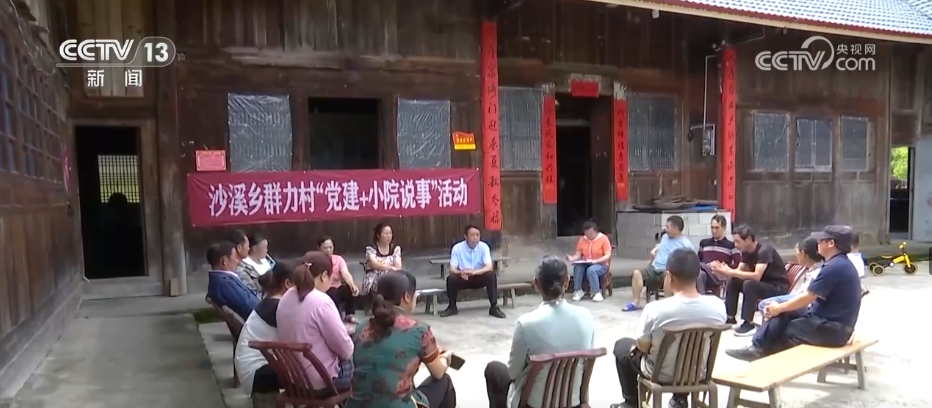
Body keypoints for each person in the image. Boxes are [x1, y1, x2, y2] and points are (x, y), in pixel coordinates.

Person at [726, 226, 862, 361]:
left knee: (786, 330)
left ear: (831, 243)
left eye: (821, 240)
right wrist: (780, 309)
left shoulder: (834, 267)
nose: (818, 243)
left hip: (835, 330)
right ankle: (756, 348)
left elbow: (808, 297)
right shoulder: (837, 264)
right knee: (784, 314)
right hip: (824, 321)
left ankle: (765, 359)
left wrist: (779, 307)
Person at [612, 248, 726, 408]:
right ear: (699, 275)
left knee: (622, 347)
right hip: (697, 373)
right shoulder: (718, 306)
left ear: (669, 276)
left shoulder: (655, 309)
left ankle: (631, 403)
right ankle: (680, 399)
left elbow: (643, 347)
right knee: (687, 352)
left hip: (660, 374)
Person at [484, 255, 595, 408]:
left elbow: (513, 372)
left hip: (534, 404)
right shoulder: (586, 316)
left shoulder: (526, 323)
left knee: (494, 370)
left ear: (536, 284)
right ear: (567, 282)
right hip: (573, 403)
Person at [347, 271, 457, 408]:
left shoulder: (361, 327)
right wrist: (445, 358)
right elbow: (438, 372)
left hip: (357, 405)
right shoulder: (419, 330)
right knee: (444, 382)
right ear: (407, 297)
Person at [276, 251, 354, 394]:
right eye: (331, 277)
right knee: (359, 351)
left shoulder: (286, 296)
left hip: (293, 378)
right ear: (324, 276)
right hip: (321, 381)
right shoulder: (321, 301)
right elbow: (346, 350)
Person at [234, 261, 294, 407]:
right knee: (311, 376)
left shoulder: (271, 303)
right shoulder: (277, 308)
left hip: (252, 369)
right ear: (287, 284)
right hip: (257, 372)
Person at [710, 224, 788, 337]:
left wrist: (730, 272)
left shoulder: (764, 251)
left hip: (777, 287)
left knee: (749, 284)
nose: (735, 245)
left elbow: (757, 276)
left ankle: (748, 323)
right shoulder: (746, 252)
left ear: (749, 239)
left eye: (738, 241)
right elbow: (738, 272)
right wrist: (724, 271)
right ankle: (730, 317)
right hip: (763, 284)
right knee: (734, 280)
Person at [625, 216, 695, 312]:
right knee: (637, 273)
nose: (666, 229)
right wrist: (652, 256)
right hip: (654, 268)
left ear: (676, 228)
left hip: (669, 270)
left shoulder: (686, 244)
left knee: (669, 275)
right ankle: (635, 302)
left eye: (668, 227)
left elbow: (690, 262)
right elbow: (659, 249)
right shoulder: (665, 237)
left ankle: (668, 305)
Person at [440, 225, 506, 319]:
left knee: (491, 275)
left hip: (478, 276)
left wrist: (475, 272)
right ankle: (452, 307)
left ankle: (494, 307)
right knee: (451, 278)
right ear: (465, 236)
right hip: (463, 277)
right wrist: (460, 272)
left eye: (477, 235)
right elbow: (452, 269)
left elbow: (489, 267)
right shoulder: (457, 248)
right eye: (472, 235)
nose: (475, 237)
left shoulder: (483, 247)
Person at [756, 237, 824, 315]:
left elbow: (807, 299)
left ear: (803, 253)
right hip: (798, 297)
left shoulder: (817, 272)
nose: (796, 255)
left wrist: (781, 307)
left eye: (796, 251)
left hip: (804, 303)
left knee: (764, 305)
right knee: (768, 306)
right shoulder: (813, 268)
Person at [206, 241, 260, 320]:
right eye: (235, 257)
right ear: (224, 261)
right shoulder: (225, 284)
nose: (238, 262)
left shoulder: (221, 280)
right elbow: (251, 306)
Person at [565, 220, 613, 302]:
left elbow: (608, 255)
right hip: (586, 262)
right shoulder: (582, 240)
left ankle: (596, 292)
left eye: (590, 233)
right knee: (577, 267)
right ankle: (578, 291)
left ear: (595, 231)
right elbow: (578, 254)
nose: (588, 236)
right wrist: (572, 258)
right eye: (586, 233)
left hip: (601, 264)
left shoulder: (603, 239)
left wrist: (597, 261)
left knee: (591, 270)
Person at [319, 236, 360, 323]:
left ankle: (349, 315)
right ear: (319, 248)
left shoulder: (338, 259)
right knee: (332, 292)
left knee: (348, 288)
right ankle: (338, 318)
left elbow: (345, 273)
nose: (328, 250)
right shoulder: (317, 261)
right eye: (325, 248)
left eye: (330, 247)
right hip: (324, 290)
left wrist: (352, 285)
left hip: (338, 288)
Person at [697, 214, 741, 294]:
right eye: (712, 227)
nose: (714, 231)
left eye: (717, 228)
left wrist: (721, 266)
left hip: (719, 275)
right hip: (705, 273)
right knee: (699, 273)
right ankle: (701, 297)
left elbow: (738, 264)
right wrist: (708, 265)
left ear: (724, 228)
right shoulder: (704, 243)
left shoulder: (731, 245)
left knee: (700, 270)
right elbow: (697, 260)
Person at [360, 223, 403, 296]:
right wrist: (390, 268)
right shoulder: (371, 248)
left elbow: (398, 267)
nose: (389, 236)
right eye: (386, 233)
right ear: (378, 235)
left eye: (390, 233)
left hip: (391, 276)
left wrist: (390, 269)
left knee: (404, 278)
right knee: (386, 280)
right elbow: (374, 264)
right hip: (374, 277)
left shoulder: (396, 248)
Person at [226, 229, 259, 295]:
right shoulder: (237, 272)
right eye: (247, 246)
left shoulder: (243, 265)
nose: (248, 249)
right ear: (239, 248)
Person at [847, 231, 869, 296]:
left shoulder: (847, 257)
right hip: (859, 270)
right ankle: (862, 289)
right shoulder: (859, 256)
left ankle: (862, 290)